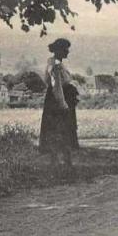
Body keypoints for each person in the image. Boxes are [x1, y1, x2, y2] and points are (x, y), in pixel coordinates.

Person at [38, 38, 79, 170]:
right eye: (66, 49)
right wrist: (63, 104)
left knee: (61, 130)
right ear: (59, 51)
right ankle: (60, 161)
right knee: (60, 130)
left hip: (58, 100)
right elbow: (56, 87)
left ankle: (63, 161)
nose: (68, 51)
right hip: (57, 102)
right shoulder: (55, 66)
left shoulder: (58, 64)